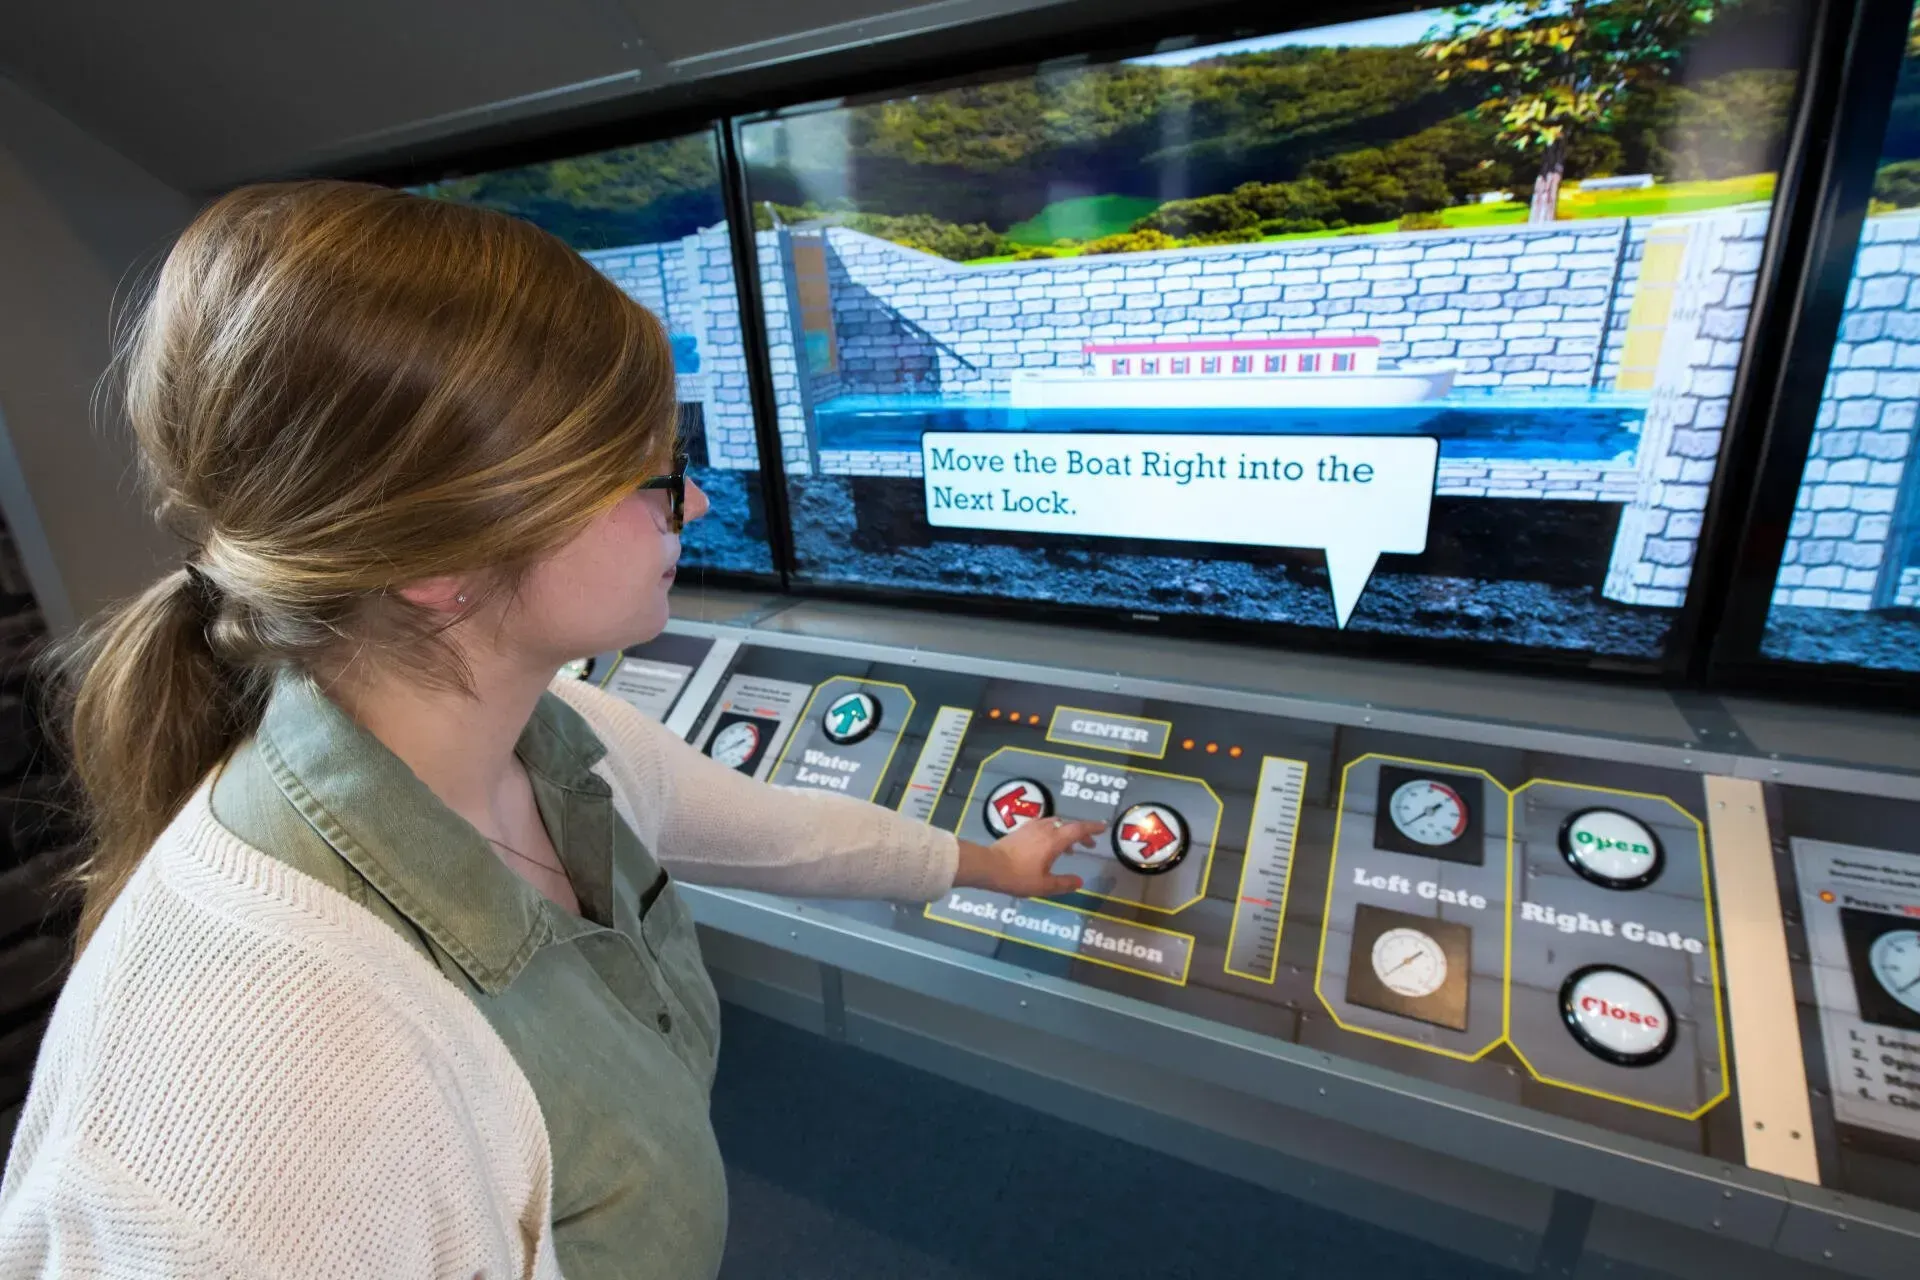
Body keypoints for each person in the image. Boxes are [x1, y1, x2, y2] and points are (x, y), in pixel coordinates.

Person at [0, 181, 1101, 1279]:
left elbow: (773, 831)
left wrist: (986, 862)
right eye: (648, 476)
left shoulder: (560, 734)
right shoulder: (255, 1123)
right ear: (440, 562)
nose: (696, 504)